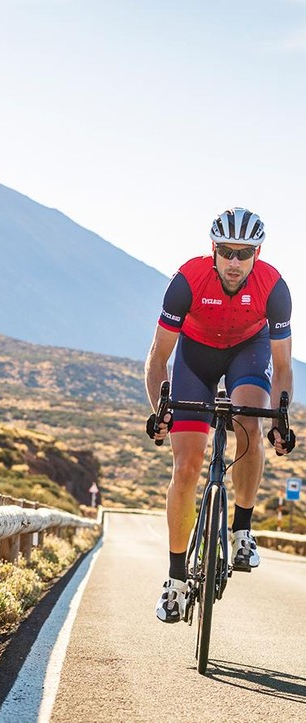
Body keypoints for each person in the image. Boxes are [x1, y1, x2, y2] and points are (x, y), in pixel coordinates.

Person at [144, 207, 296, 624]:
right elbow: (159, 357)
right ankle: (176, 581)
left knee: (250, 423)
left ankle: (242, 529)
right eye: (226, 251)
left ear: (257, 254)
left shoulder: (274, 288)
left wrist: (280, 420)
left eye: (243, 253)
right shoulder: (187, 281)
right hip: (195, 358)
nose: (234, 261)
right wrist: (160, 411)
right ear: (213, 249)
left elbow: (282, 368)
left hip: (249, 351)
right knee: (188, 464)